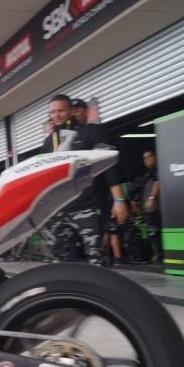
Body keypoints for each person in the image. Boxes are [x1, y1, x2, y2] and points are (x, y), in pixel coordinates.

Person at [41, 94, 128, 265]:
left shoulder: (91, 132)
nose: (57, 115)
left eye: (61, 110)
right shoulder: (48, 143)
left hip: (85, 207)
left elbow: (108, 166)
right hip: (57, 210)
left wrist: (119, 200)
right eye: (53, 112)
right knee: (55, 262)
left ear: (72, 111)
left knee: (97, 259)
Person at [140, 149, 162, 264]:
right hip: (149, 209)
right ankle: (157, 255)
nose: (146, 159)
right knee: (152, 233)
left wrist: (151, 198)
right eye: (144, 158)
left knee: (155, 233)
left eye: (149, 156)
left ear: (155, 157)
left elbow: (157, 182)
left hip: (155, 207)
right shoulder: (148, 174)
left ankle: (159, 257)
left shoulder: (157, 170)